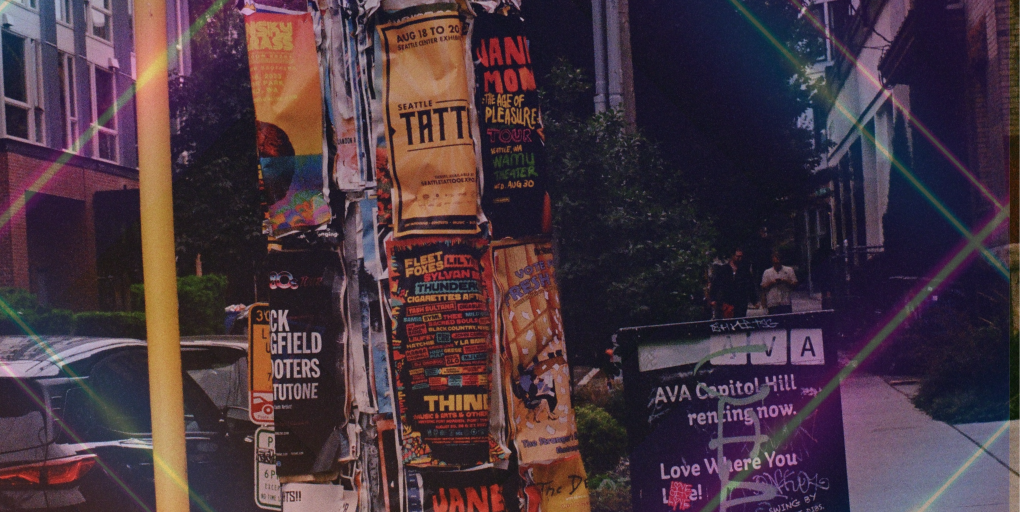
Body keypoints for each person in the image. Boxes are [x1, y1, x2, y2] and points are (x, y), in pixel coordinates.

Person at [710, 248, 756, 318]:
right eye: (737, 256)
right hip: (727, 300)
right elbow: (716, 284)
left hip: (741, 302)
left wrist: (754, 300)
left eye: (741, 257)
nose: (739, 259)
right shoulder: (724, 269)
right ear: (733, 256)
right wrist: (713, 298)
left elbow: (750, 285)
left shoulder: (744, 270)